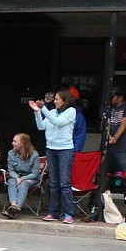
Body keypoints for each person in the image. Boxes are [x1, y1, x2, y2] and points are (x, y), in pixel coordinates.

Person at [29, 88, 78, 224]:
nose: (55, 102)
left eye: (57, 99)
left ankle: (68, 213)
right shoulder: (51, 112)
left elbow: (58, 122)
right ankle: (53, 212)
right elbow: (41, 126)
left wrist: (43, 108)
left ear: (65, 100)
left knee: (64, 182)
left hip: (65, 150)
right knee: (54, 183)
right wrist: (37, 112)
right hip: (51, 149)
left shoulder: (71, 112)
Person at [3, 133, 41, 218]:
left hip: (30, 178)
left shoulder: (34, 154)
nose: (12, 143)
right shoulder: (11, 153)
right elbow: (11, 170)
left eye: (15, 141)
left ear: (22, 143)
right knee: (11, 181)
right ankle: (13, 205)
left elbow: (35, 173)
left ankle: (16, 207)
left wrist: (23, 179)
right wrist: (17, 178)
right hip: (16, 177)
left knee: (25, 183)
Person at [105, 87, 126, 176]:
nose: (111, 99)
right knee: (104, 174)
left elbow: (125, 122)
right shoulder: (106, 106)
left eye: (113, 97)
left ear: (120, 97)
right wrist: (108, 136)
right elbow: (104, 122)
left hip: (123, 148)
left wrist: (115, 137)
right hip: (106, 148)